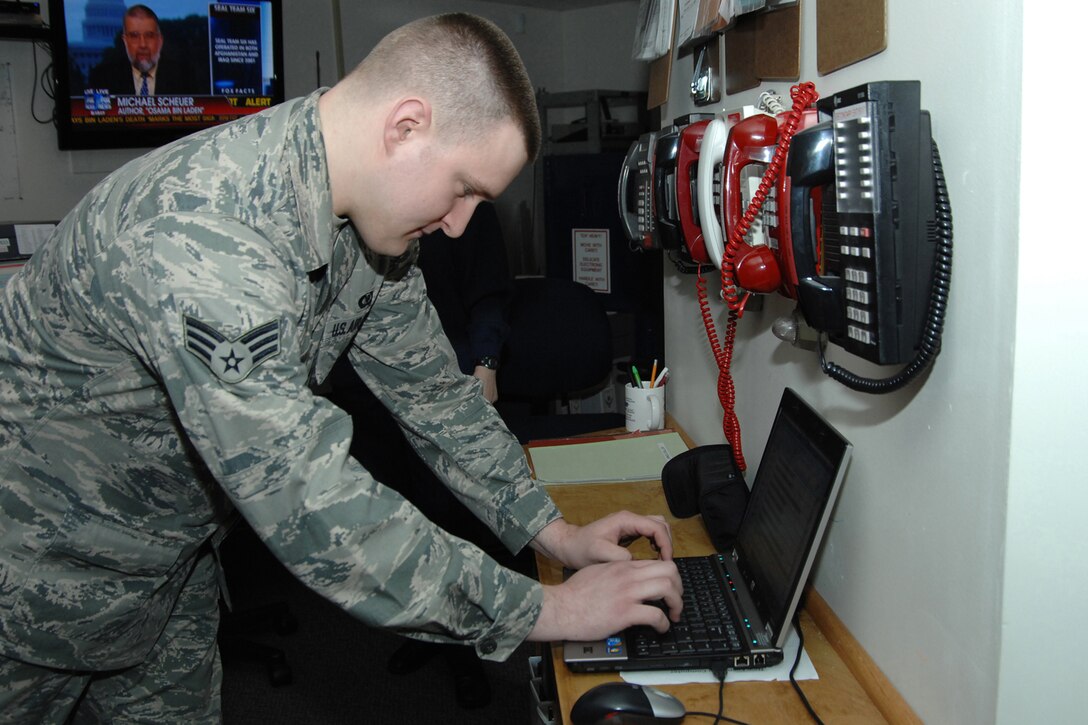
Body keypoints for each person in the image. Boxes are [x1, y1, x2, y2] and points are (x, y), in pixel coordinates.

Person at [0, 13, 682, 723]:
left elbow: (437, 399)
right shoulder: (205, 241)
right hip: (32, 584)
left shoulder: (369, 232)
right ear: (406, 127)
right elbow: (311, 499)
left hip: (164, 572)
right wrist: (546, 606)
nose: (459, 225)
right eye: (464, 189)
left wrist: (553, 531)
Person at [327, 200, 513, 708]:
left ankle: (465, 648)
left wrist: (487, 362)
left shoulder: (466, 206)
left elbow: (491, 291)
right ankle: (424, 631)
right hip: (360, 396)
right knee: (396, 522)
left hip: (443, 385)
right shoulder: (355, 209)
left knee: (449, 521)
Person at [87, 5, 185, 96]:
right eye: (134, 36)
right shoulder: (102, 77)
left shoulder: (184, 76)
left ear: (160, 41)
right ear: (125, 41)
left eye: (149, 35)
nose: (142, 45)